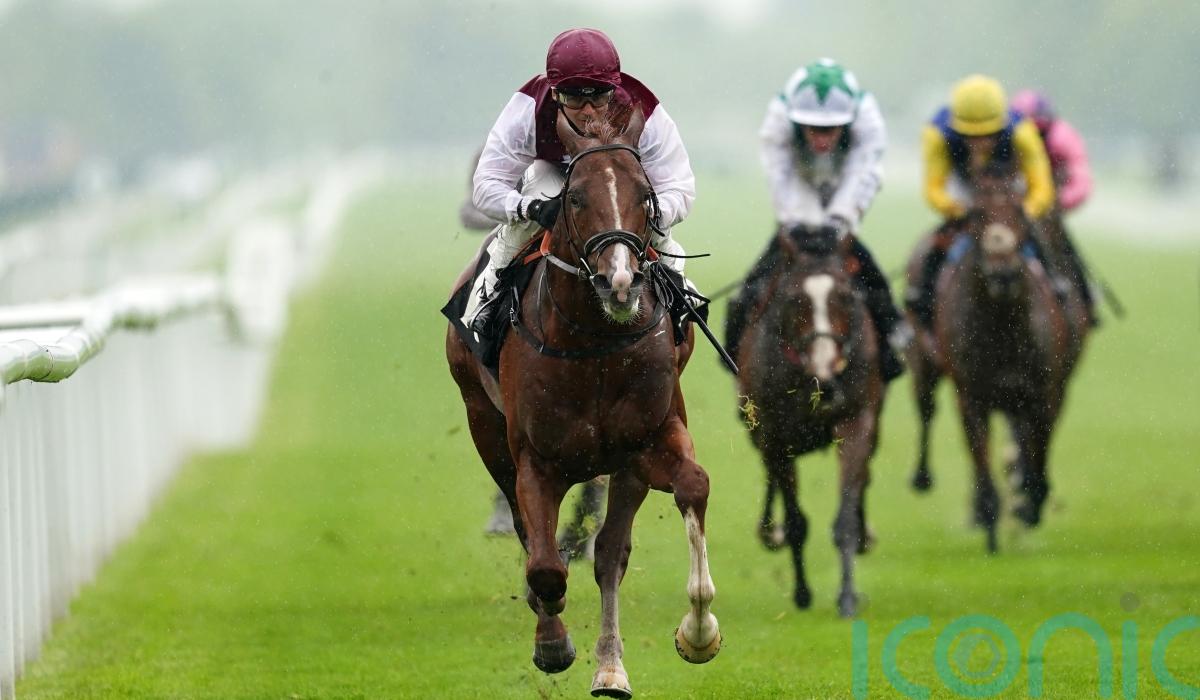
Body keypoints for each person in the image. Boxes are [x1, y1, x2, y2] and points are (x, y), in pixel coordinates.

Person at [462, 28, 696, 337]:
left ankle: (682, 296)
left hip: (619, 182)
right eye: (574, 98)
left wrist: (652, 213)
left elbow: (679, 186)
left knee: (653, 224)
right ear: (555, 94)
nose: (587, 111)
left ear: (613, 89)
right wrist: (529, 208)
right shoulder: (527, 108)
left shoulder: (645, 111)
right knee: (526, 212)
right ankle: (486, 301)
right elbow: (486, 183)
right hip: (552, 176)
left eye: (597, 97)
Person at [725, 58, 909, 380]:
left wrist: (841, 219)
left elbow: (863, 174)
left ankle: (892, 338)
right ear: (797, 123)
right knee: (753, 284)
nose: (822, 139)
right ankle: (733, 345)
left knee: (871, 276)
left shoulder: (867, 119)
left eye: (830, 130)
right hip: (798, 196)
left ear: (847, 124)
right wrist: (795, 220)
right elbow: (780, 175)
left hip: (842, 193)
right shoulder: (778, 119)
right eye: (813, 129)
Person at [906, 74, 1056, 328]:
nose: (979, 143)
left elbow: (1042, 186)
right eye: (970, 135)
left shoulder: (1022, 131)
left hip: (1008, 192)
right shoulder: (936, 133)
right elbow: (934, 189)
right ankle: (923, 300)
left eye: (989, 134)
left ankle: (1057, 286)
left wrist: (1024, 212)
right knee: (938, 244)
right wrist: (958, 210)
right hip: (964, 191)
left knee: (1041, 238)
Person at [1011, 89, 1097, 322]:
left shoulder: (1063, 138)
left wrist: (1056, 204)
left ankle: (1085, 296)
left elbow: (1081, 182)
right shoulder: (1009, 137)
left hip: (1050, 206)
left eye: (1038, 134)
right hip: (1015, 203)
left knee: (1062, 246)